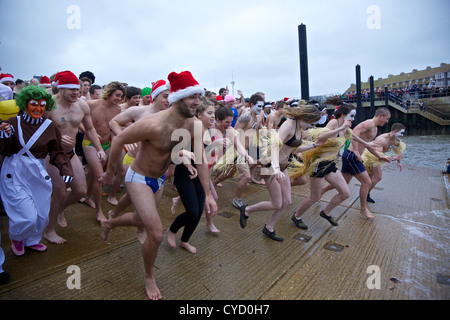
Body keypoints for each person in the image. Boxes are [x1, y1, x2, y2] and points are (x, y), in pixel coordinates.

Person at [99, 70, 217, 300]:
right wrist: (110, 173)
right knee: (155, 233)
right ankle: (149, 276)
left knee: (138, 220)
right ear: (178, 98)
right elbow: (119, 139)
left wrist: (208, 194)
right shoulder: (152, 123)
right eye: (192, 96)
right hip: (138, 177)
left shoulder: (194, 125)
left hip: (159, 178)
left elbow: (201, 159)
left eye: (198, 96)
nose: (197, 102)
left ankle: (110, 223)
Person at [0, 86, 73, 255]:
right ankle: (17, 237)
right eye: (34, 104)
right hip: (15, 171)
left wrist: (66, 170)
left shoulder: (50, 126)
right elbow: (4, 150)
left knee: (41, 214)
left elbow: (57, 152)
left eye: (41, 105)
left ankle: (32, 241)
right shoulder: (12, 122)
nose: (38, 108)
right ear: (25, 104)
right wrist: (4, 136)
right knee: (26, 216)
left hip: (38, 172)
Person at [291, 104, 387, 228]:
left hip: (330, 163)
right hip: (319, 164)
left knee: (345, 193)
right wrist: (341, 128)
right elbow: (320, 137)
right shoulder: (333, 123)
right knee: (314, 197)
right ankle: (297, 216)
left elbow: (353, 135)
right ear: (343, 114)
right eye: (351, 115)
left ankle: (326, 212)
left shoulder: (345, 127)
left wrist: (366, 144)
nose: (352, 118)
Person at [240, 104, 324, 241]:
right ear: (306, 117)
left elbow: (293, 150)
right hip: (271, 166)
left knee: (287, 201)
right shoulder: (289, 125)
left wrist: (314, 145)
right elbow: (274, 146)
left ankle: (269, 227)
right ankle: (247, 210)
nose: (312, 127)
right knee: (277, 203)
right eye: (311, 123)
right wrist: (276, 168)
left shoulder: (299, 127)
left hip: (282, 166)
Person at [44, 70, 106, 244]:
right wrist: (55, 136)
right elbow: (35, 130)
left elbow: (91, 129)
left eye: (77, 89)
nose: (76, 92)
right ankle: (49, 230)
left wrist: (99, 148)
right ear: (60, 89)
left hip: (70, 154)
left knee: (79, 191)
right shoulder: (49, 106)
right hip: (52, 154)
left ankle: (58, 210)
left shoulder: (82, 105)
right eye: (71, 89)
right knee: (60, 191)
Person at [321, 107, 391, 219]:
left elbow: (368, 146)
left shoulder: (375, 129)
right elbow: (354, 134)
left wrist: (379, 156)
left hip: (351, 156)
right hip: (352, 155)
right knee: (366, 182)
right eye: (386, 119)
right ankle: (363, 210)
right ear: (380, 116)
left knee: (343, 182)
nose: (387, 121)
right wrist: (357, 151)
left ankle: (320, 192)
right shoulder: (368, 124)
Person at [170, 98, 220, 244]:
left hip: (201, 175)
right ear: (199, 115)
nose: (212, 116)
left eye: (214, 114)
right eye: (209, 113)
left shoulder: (209, 132)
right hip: (185, 174)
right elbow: (176, 152)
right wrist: (187, 164)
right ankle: (172, 231)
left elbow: (204, 158)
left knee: (198, 212)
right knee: (192, 211)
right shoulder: (190, 130)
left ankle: (184, 240)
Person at [82, 81, 125, 221]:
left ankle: (88, 197)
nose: (118, 99)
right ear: (109, 92)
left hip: (106, 144)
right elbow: (81, 123)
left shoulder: (118, 110)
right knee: (99, 175)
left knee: (93, 174)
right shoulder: (91, 104)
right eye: (117, 95)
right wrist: (91, 134)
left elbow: (114, 128)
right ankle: (99, 212)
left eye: (121, 97)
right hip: (89, 143)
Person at [362, 123, 406, 203]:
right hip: (371, 156)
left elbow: (398, 151)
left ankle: (364, 194)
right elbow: (378, 156)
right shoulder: (382, 140)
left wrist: (399, 162)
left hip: (377, 156)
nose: (402, 135)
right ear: (395, 131)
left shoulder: (396, 139)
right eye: (401, 133)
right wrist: (393, 158)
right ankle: (365, 195)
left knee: (369, 179)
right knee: (378, 176)